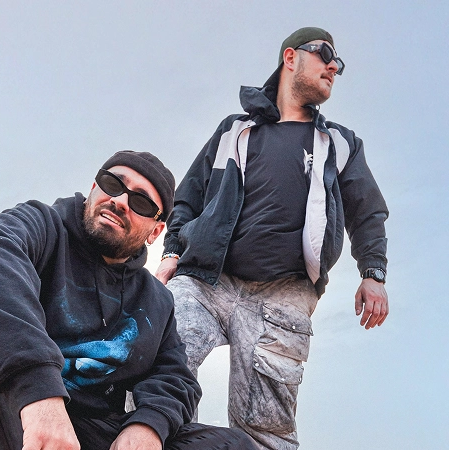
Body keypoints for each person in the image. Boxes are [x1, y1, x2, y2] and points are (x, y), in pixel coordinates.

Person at [0, 150, 257, 450]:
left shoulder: (156, 302)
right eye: (112, 184)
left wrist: (148, 425)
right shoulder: (41, 225)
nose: (120, 201)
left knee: (232, 445)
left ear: (155, 231)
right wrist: (38, 392)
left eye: (140, 202)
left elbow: (174, 376)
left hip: (82, 425)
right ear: (93, 189)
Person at [155, 27, 389, 449]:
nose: (334, 67)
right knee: (155, 375)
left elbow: (367, 210)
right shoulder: (234, 131)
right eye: (325, 54)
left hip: (284, 295)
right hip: (206, 280)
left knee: (265, 428)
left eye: (339, 63)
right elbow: (188, 196)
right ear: (290, 57)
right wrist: (171, 253)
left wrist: (373, 273)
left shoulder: (340, 143)